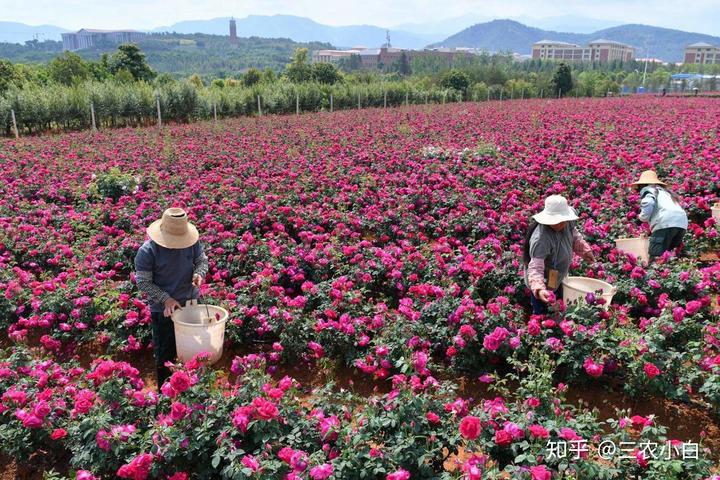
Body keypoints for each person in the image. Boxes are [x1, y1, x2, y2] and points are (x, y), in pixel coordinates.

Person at [134, 207, 208, 389]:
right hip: (164, 311)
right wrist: (166, 299)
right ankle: (166, 398)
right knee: (166, 357)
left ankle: (194, 394)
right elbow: (143, 282)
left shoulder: (192, 243)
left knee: (195, 353)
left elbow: (201, 260)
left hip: (191, 304)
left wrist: (199, 274)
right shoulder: (147, 251)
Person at [524, 195, 595, 314]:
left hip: (558, 278)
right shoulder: (541, 239)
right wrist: (540, 290)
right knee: (542, 316)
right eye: (556, 221)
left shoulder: (568, 223)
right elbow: (535, 268)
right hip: (543, 282)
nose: (560, 225)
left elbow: (574, 235)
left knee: (558, 310)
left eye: (563, 221)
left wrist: (584, 250)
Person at [632, 170, 688, 259]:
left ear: (643, 185)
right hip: (681, 224)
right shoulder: (666, 192)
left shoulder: (649, 190)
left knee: (656, 255)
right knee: (670, 255)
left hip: (665, 223)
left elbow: (649, 203)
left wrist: (641, 218)